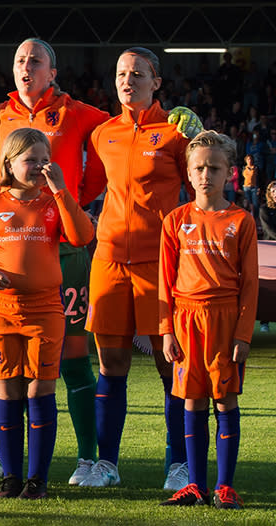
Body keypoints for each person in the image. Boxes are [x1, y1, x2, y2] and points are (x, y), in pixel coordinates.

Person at [0, 38, 110, 483]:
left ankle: (88, 458)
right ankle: (8, 458)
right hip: (11, 252)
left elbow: (114, 135)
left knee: (71, 358)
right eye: (19, 60)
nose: (26, 66)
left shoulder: (77, 112)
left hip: (64, 247)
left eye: (36, 60)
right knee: (12, 381)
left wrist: (78, 191)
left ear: (53, 72)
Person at [82, 47, 199, 489]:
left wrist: (201, 133)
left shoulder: (175, 133)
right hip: (109, 261)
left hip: (160, 265)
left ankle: (179, 464)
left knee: (172, 366)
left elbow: (204, 186)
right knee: (111, 365)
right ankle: (107, 464)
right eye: (121, 74)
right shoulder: (103, 134)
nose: (128, 80)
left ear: (157, 82)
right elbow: (86, 187)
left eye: (138, 74)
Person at [0, 127, 95, 499]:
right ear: (9, 162)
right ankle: (10, 477)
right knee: (7, 390)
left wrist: (61, 190)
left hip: (46, 312)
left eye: (43, 159)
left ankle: (37, 479)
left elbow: (81, 235)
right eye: (30, 159)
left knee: (40, 391)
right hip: (1, 313)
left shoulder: (54, 203)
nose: (38, 166)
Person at [158, 131, 257, 509]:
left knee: (225, 400)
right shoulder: (175, 221)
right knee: (193, 401)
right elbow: (165, 283)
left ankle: (225, 487)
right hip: (184, 320)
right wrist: (166, 329)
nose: (205, 175)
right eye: (199, 167)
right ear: (188, 171)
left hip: (225, 318)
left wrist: (243, 334)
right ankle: (195, 485)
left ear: (229, 173)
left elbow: (249, 286)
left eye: (214, 168)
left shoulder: (241, 221)